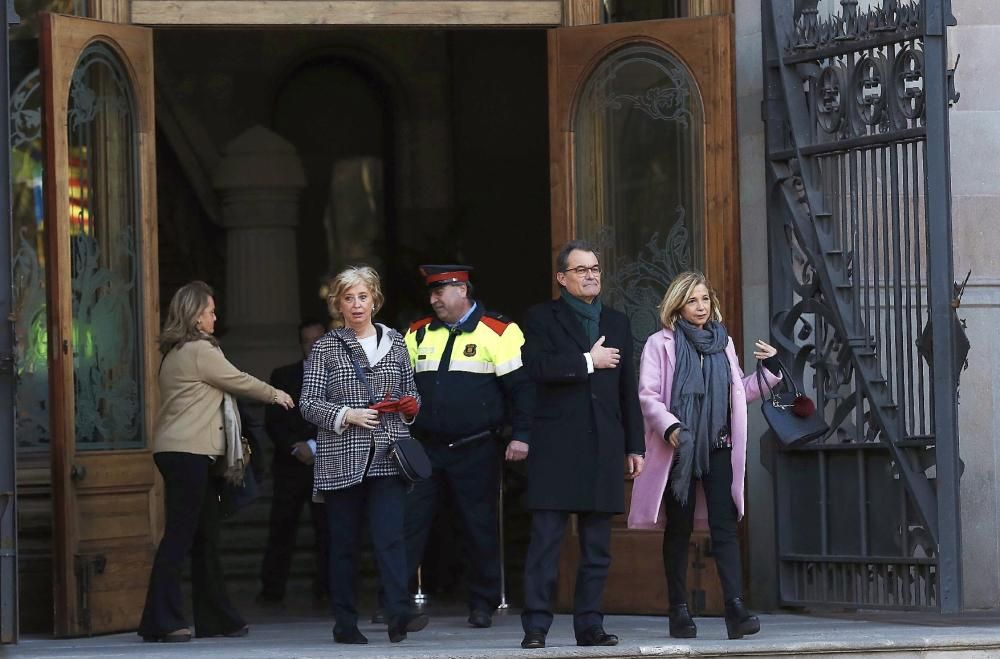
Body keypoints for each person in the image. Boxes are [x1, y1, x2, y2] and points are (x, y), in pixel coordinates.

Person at [627, 271, 780, 640]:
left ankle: (736, 609)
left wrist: (771, 371)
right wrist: (671, 427)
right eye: (693, 300)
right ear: (678, 305)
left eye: (705, 299)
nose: (700, 307)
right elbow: (648, 395)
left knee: (725, 526)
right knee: (678, 530)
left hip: (719, 445)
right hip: (679, 448)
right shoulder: (659, 343)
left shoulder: (722, 343)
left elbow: (736, 393)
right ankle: (678, 610)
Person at [138, 281, 294, 642]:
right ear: (195, 315)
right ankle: (161, 621)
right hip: (188, 454)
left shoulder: (177, 350)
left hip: (186, 453)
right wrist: (276, 395)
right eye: (210, 310)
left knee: (205, 537)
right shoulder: (199, 349)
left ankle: (218, 618)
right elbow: (237, 380)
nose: (214, 317)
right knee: (180, 537)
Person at [518, 240, 645, 650]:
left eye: (595, 269)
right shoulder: (539, 318)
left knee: (597, 547)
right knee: (545, 544)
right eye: (581, 270)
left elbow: (629, 389)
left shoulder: (617, 321)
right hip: (556, 445)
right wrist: (588, 361)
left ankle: (590, 625)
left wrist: (635, 446)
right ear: (562, 278)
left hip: (603, 445)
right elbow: (535, 368)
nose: (591, 275)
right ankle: (536, 626)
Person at [299, 266, 429, 645]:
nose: (356, 304)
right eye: (348, 298)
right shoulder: (326, 346)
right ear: (337, 304)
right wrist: (346, 415)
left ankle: (398, 614)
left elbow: (413, 393)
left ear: (375, 299)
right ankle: (345, 623)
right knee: (344, 545)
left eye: (363, 297)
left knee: (391, 538)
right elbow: (308, 403)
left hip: (389, 455)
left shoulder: (397, 342)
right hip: (342, 458)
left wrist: (410, 406)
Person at [402, 264, 533, 629]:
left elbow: (521, 390)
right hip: (425, 447)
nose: (433, 299)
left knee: (478, 527)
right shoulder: (417, 333)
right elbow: (398, 386)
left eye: (439, 291)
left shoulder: (499, 331)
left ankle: (482, 602)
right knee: (410, 523)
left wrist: (522, 435)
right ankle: (396, 601)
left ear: (462, 290)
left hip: (476, 447)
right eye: (431, 292)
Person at [257, 319, 330, 607]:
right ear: (300, 344)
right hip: (290, 467)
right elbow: (274, 421)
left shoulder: (342, 376)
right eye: (307, 340)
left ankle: (327, 589)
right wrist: (294, 447)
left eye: (318, 339)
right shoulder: (283, 375)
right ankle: (271, 591)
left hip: (326, 466)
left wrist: (314, 446)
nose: (313, 345)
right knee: (281, 529)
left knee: (328, 531)